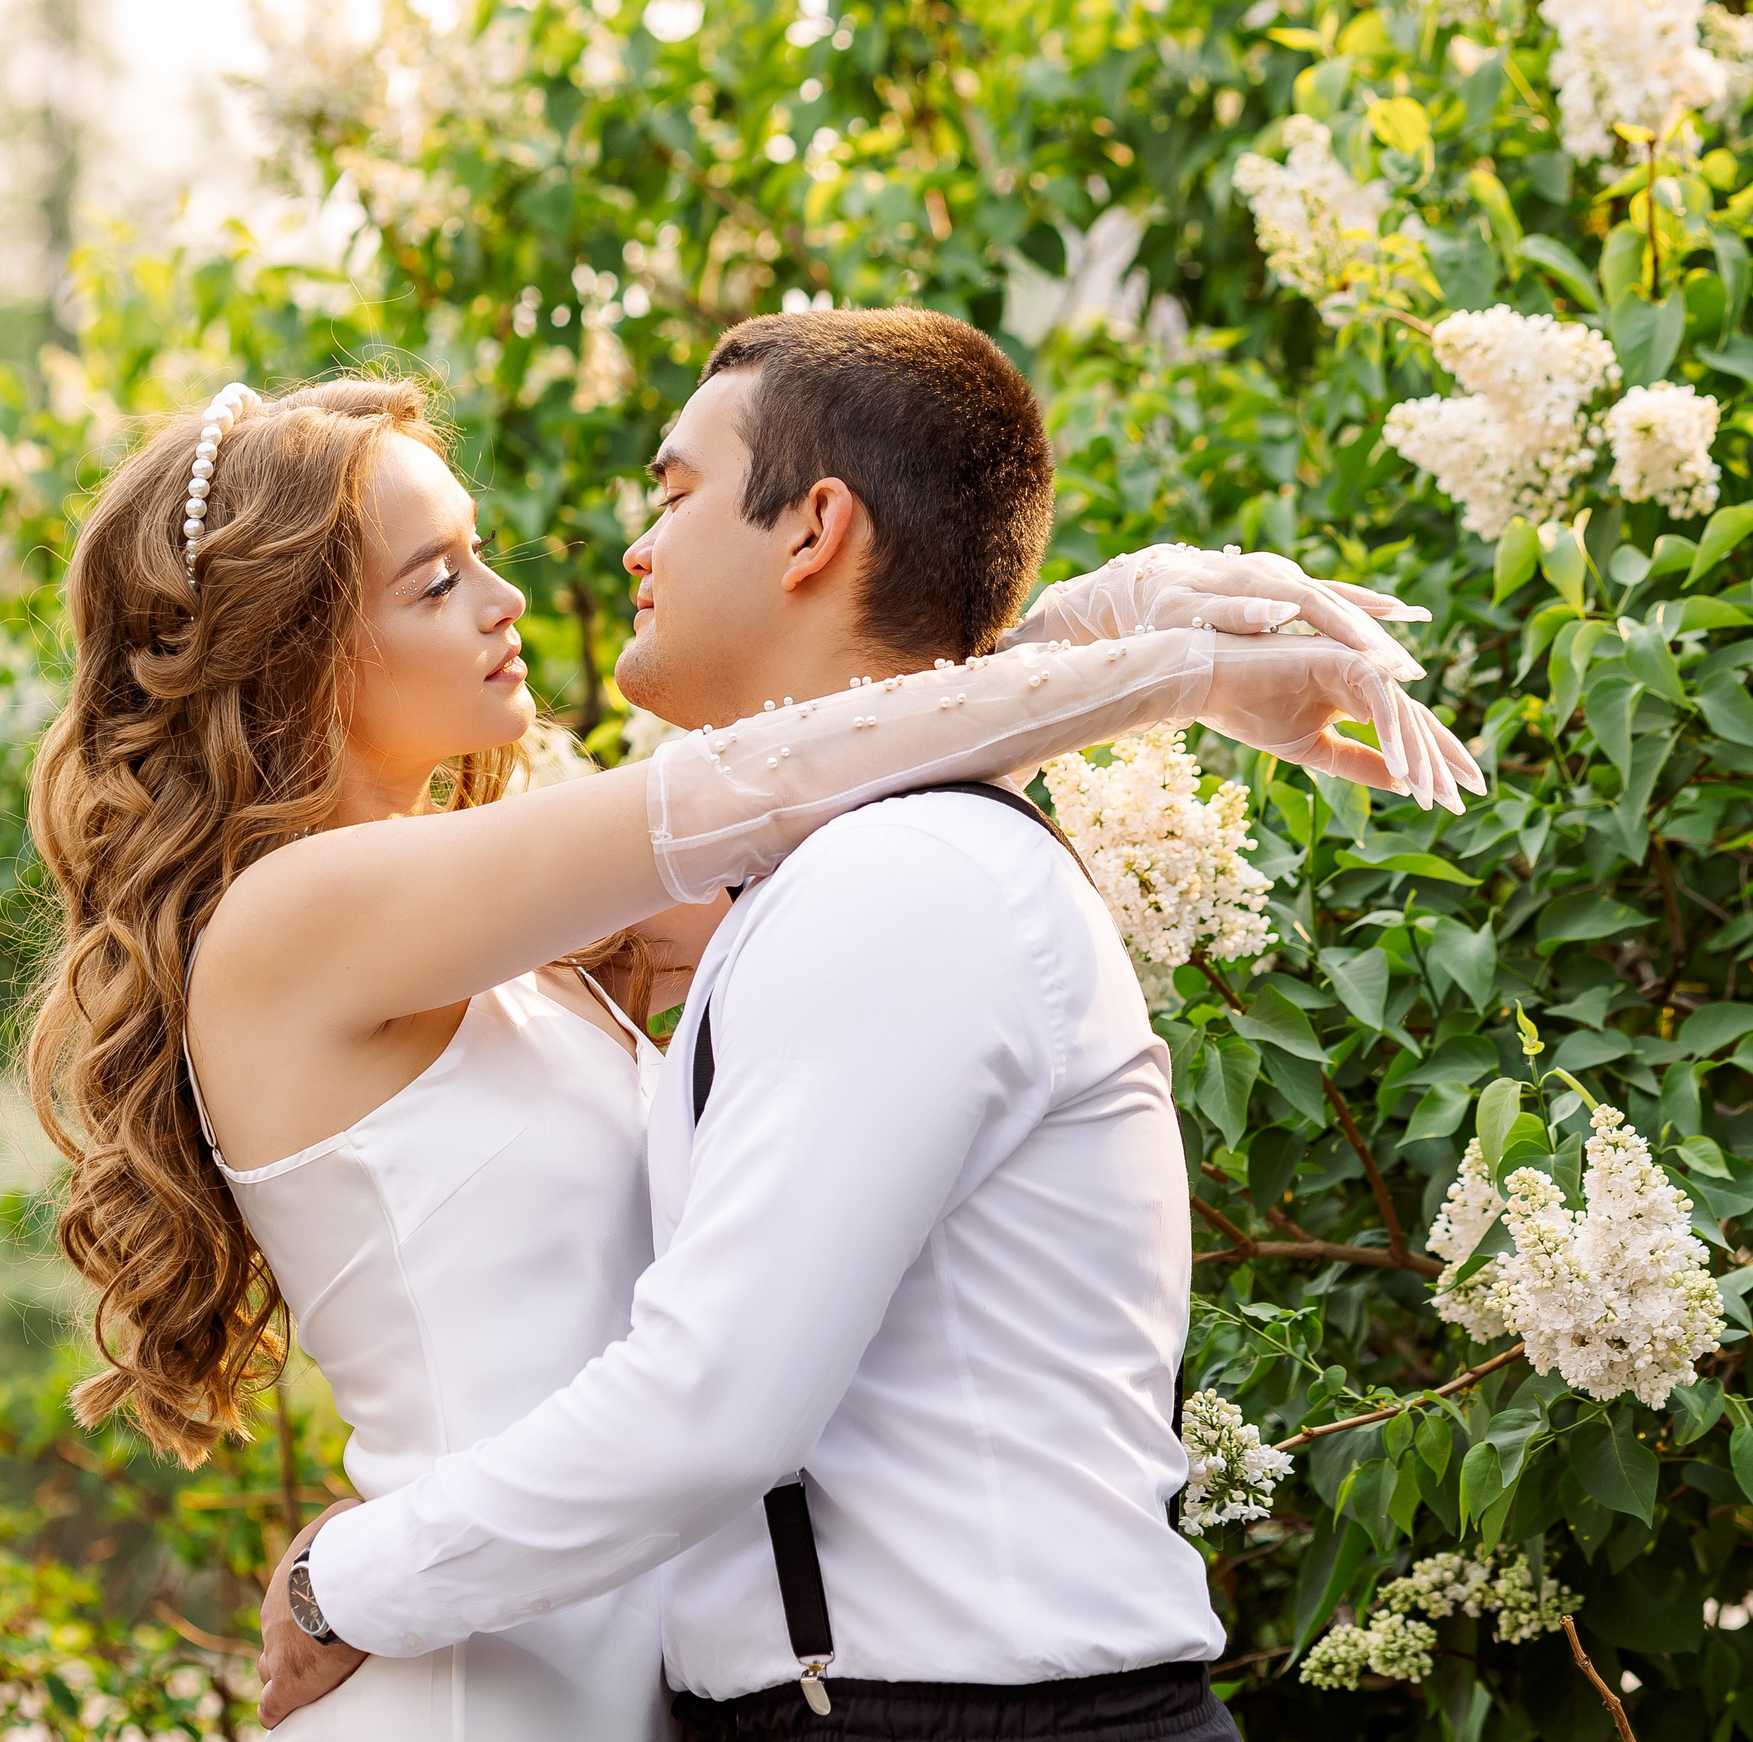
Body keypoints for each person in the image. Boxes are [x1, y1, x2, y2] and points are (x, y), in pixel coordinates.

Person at [238, 310, 1482, 1740]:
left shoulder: (888, 877)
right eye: (439, 575)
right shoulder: (337, 914)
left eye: (673, 493)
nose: (554, 578)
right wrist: (1149, 659)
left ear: (816, 528)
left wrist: (349, 1579)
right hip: (570, 1677)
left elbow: (817, 775)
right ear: (307, 639)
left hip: (897, 1704)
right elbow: (759, 784)